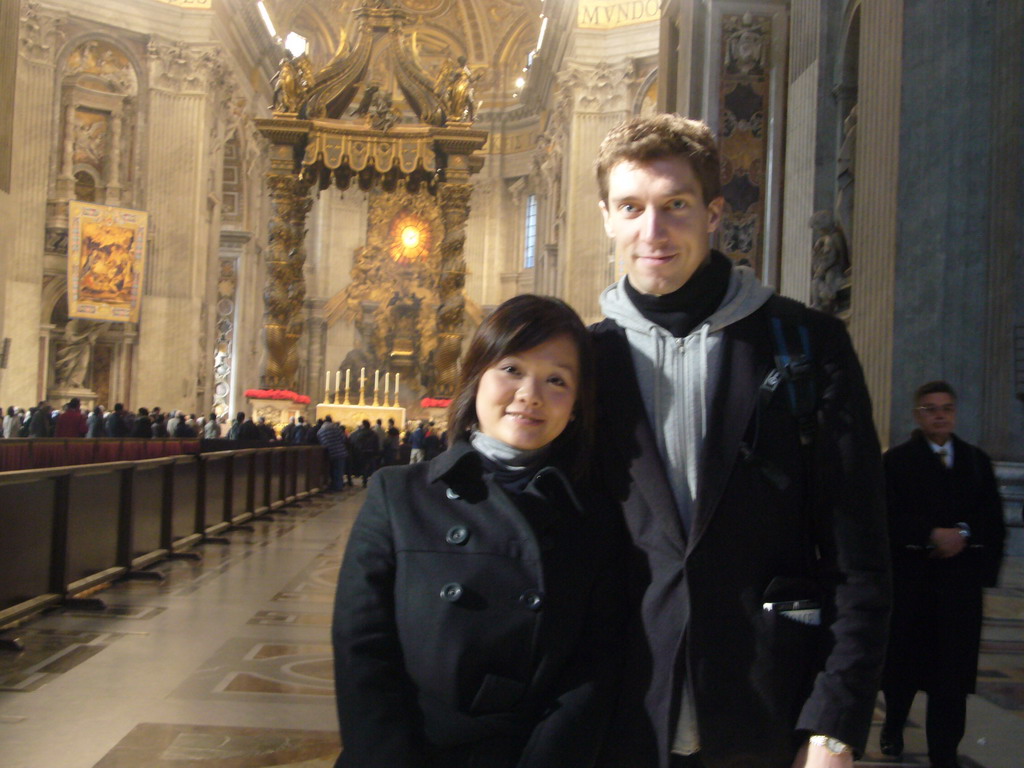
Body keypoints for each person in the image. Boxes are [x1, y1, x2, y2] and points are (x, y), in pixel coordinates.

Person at [590, 113, 891, 768]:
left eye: (676, 205)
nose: (653, 231)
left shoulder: (807, 344)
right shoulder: (585, 362)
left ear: (714, 212)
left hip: (767, 707)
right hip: (622, 714)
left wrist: (836, 724)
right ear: (607, 218)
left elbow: (859, 555)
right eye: (632, 208)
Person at [332, 294, 623, 768]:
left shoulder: (592, 515)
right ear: (476, 377)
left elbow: (594, 668)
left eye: (556, 380)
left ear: (575, 405)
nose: (530, 395)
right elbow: (362, 652)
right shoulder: (397, 496)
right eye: (511, 369)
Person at [880, 381, 1005, 768]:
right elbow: (884, 517)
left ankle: (944, 753)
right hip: (912, 583)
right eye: (931, 408)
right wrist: (928, 535)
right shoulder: (896, 461)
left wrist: (963, 535)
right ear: (918, 415)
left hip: (958, 588)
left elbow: (992, 519)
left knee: (951, 677)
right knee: (902, 668)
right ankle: (894, 725)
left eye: (947, 408)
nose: (940, 415)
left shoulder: (975, 461)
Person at [317, 415, 349, 492]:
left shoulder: (321, 431)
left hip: (330, 452)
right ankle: (339, 486)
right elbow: (343, 438)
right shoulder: (336, 428)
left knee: (332, 470)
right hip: (340, 451)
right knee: (339, 470)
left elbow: (321, 442)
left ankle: (333, 486)